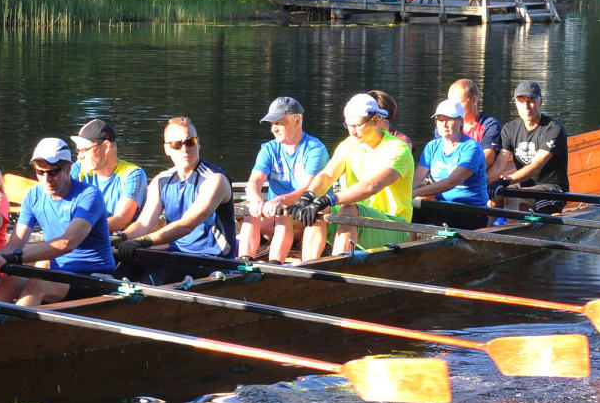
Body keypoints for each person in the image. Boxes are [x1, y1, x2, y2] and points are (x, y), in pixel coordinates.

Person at [287, 93, 418, 254]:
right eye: (348, 125)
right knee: (317, 210)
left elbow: (372, 186)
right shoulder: (348, 145)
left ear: (376, 121)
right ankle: (310, 267)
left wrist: (331, 199)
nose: (352, 132)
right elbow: (327, 175)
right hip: (359, 217)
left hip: (394, 226)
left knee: (348, 209)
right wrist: (308, 196)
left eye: (357, 126)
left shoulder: (398, 149)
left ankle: (337, 266)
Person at [0, 137, 116, 306]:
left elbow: (66, 243)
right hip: (60, 275)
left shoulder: (89, 196)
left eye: (53, 172)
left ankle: (12, 329)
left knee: (37, 283)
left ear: (68, 168)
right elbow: (15, 245)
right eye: (40, 172)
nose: (46, 179)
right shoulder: (33, 196)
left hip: (95, 278)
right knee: (11, 278)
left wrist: (14, 259)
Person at [115, 117, 236, 279]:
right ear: (167, 149)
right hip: (176, 254)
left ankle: (139, 302)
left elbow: (185, 225)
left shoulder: (214, 180)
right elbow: (143, 224)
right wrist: (120, 238)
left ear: (198, 144)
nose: (185, 149)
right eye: (176, 145)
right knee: (122, 264)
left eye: (190, 142)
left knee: (159, 271)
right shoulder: (161, 180)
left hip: (213, 259)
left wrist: (142, 242)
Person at [240, 96, 331, 263]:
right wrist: (256, 199)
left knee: (284, 212)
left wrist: (282, 199)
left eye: (279, 123)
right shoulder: (269, 149)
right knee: (250, 210)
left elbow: (307, 188)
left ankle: (275, 265)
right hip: (278, 213)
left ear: (297, 121)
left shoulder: (315, 149)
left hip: (307, 214)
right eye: (272, 124)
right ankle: (244, 262)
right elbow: (254, 182)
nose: (273, 129)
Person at [499, 79, 570, 212]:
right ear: (515, 104)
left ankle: (511, 230)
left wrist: (506, 180)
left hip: (553, 189)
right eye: (521, 101)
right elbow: (499, 163)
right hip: (524, 186)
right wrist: (488, 182)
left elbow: (535, 167)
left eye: (530, 100)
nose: (526, 106)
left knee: (513, 197)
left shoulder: (554, 129)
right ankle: (484, 229)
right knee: (494, 194)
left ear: (540, 102)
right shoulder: (509, 129)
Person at [414, 98, 492, 219]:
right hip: (442, 207)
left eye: (449, 120)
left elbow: (450, 183)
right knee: (411, 211)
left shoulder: (472, 148)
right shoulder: (431, 147)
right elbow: (415, 181)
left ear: (461, 122)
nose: (444, 124)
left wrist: (413, 193)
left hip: (472, 211)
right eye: (440, 120)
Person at [70, 117, 147, 235]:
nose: (79, 156)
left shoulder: (132, 175)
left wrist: (79, 230)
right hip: (84, 234)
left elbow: (121, 220)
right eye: (78, 150)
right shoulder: (78, 168)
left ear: (106, 147)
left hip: (119, 242)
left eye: (85, 150)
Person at [448, 77, 507, 180]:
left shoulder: (490, 125)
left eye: (458, 103)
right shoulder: (444, 125)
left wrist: (457, 176)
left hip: (473, 180)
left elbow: (488, 158)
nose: (454, 108)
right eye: (451, 104)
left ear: (474, 100)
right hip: (448, 176)